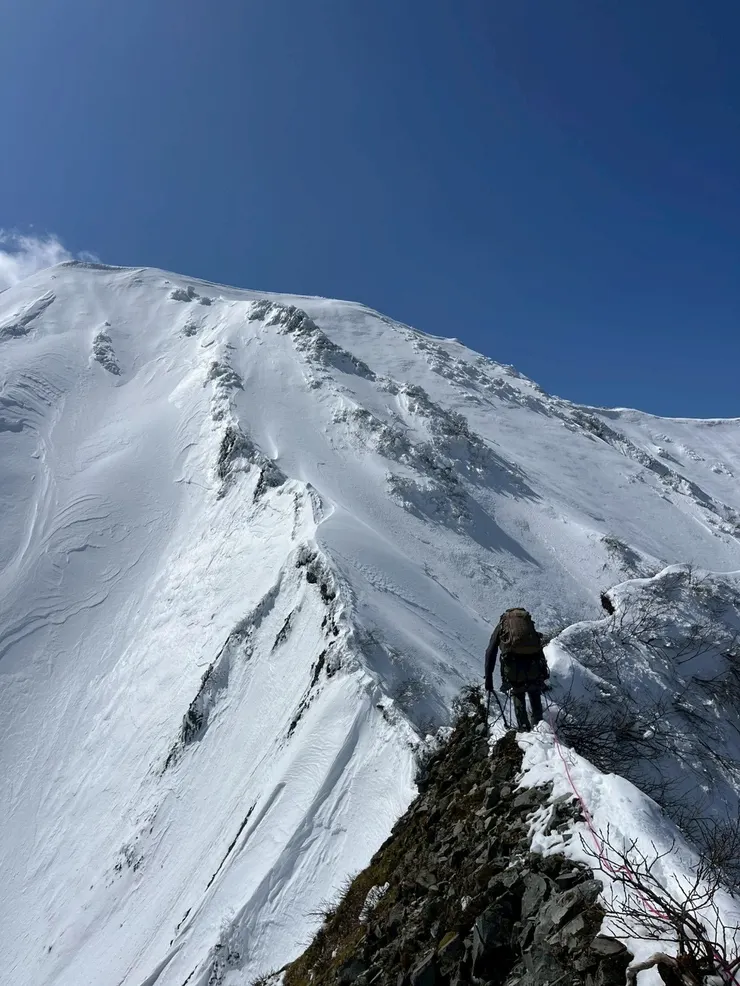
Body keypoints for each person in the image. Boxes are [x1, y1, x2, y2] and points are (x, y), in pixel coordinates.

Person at [484, 608, 548, 731]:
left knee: (518, 693)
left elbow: (490, 652)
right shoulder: (528, 626)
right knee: (534, 691)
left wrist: (489, 680)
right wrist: (543, 671)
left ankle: (524, 729)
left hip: (513, 670)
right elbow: (538, 647)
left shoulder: (502, 626)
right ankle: (540, 728)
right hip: (533, 666)